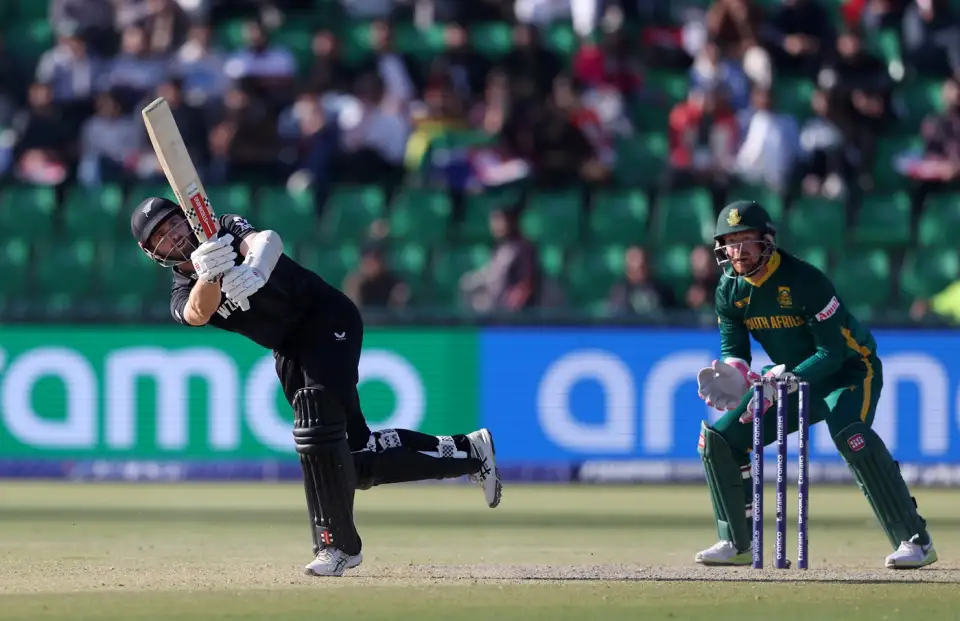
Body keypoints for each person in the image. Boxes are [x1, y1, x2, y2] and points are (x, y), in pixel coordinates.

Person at [130, 197, 502, 576]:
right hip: (288, 348)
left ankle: (337, 546)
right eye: (161, 235)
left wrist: (255, 267)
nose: (173, 235)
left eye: (174, 223)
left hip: (325, 318)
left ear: (188, 217)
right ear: (151, 251)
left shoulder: (222, 228)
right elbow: (197, 312)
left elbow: (267, 240)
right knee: (355, 458)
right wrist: (209, 275)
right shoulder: (182, 290)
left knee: (315, 421)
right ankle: (469, 451)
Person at [694, 200, 937, 570]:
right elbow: (735, 349)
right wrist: (734, 372)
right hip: (790, 379)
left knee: (851, 436)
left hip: (849, 371)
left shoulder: (804, 280)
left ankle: (916, 541)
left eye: (746, 240)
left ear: (766, 241)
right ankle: (737, 542)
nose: (737, 251)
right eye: (729, 242)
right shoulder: (729, 289)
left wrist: (785, 380)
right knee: (719, 441)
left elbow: (832, 352)